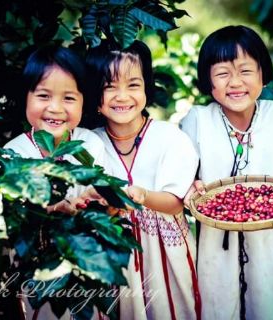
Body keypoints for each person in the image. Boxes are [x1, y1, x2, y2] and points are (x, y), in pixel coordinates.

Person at [180, 25, 273, 320]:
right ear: (208, 82)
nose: (235, 82)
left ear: (263, 75)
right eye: (223, 73)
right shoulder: (198, 120)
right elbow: (187, 178)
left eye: (245, 70)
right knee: (220, 303)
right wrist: (192, 188)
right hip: (217, 245)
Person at [85, 39, 202, 320]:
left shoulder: (170, 137)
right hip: (116, 256)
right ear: (94, 94)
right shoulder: (89, 143)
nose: (122, 96)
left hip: (166, 256)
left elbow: (175, 203)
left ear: (147, 89)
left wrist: (142, 196)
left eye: (133, 85)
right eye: (109, 86)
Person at [4, 44, 106, 319]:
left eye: (69, 98)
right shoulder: (13, 155)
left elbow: (102, 187)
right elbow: (10, 215)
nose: (56, 108)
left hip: (87, 261)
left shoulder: (90, 144)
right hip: (38, 265)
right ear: (25, 97)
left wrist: (100, 200)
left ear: (84, 101)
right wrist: (48, 210)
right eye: (43, 95)